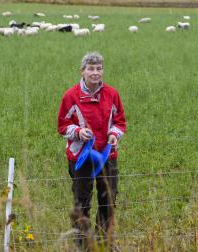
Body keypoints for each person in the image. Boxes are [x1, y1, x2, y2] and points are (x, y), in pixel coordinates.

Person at [57, 52, 127, 246]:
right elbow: (62, 126)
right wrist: (79, 132)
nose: (95, 73)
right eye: (90, 69)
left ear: (102, 70)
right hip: (82, 157)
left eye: (98, 69)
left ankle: (104, 243)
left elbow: (120, 122)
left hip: (107, 155)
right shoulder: (71, 96)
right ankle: (83, 246)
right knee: (82, 202)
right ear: (83, 71)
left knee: (109, 200)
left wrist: (114, 135)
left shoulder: (112, 94)